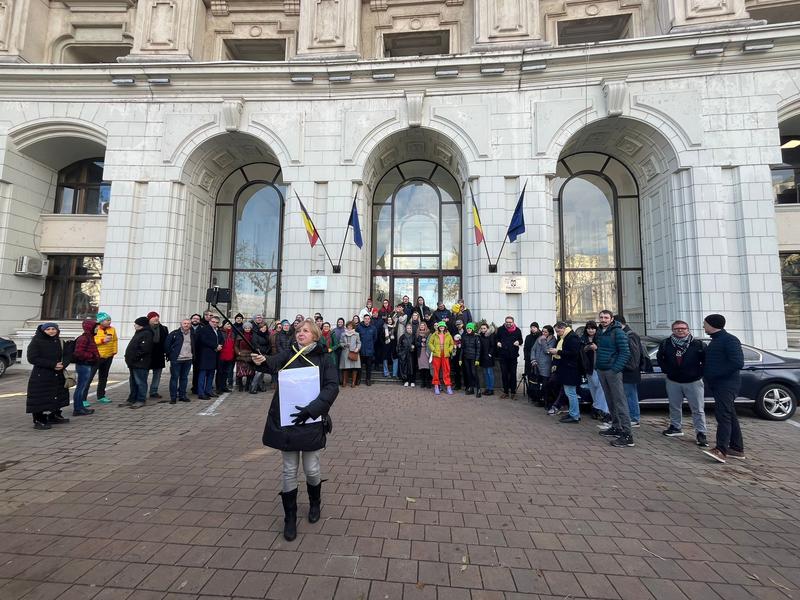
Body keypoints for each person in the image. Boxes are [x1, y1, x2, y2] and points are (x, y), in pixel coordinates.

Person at [251, 318, 338, 541]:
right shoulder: (288, 353)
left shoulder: (324, 358)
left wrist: (313, 410)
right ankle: (289, 518)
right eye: (299, 330)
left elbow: (331, 387)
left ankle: (315, 502)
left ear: (315, 336)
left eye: (306, 331)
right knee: (289, 469)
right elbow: (271, 364)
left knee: (311, 470)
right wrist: (260, 361)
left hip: (310, 421)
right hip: (288, 421)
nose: (300, 333)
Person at [701, 314, 745, 463]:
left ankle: (721, 450)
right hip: (718, 384)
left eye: (705, 324)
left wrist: (715, 374)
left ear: (712, 325)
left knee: (723, 416)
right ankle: (737, 448)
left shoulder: (730, 340)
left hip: (726, 385)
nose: (703, 326)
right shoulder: (715, 341)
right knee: (730, 414)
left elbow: (737, 362)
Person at [657, 320, 708, 447]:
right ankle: (675, 427)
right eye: (676, 329)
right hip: (673, 380)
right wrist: (666, 370)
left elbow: (706, 361)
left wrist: (699, 373)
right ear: (672, 330)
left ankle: (701, 433)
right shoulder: (666, 344)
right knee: (674, 406)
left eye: (683, 328)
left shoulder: (698, 344)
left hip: (693, 381)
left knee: (697, 409)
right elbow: (660, 358)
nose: (680, 330)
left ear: (688, 330)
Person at [595, 310, 633, 447]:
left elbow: (625, 352)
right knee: (610, 400)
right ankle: (616, 426)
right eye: (601, 317)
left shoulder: (618, 332)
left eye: (606, 317)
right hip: (602, 370)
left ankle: (627, 434)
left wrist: (616, 368)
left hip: (612, 371)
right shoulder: (600, 331)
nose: (603, 320)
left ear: (611, 319)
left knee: (619, 401)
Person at [26, 322, 73, 429]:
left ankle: (54, 415)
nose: (51, 331)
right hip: (41, 375)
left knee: (57, 395)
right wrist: (52, 365)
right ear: (43, 330)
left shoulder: (59, 341)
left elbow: (66, 355)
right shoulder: (36, 341)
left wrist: (63, 364)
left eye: (53, 329)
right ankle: (38, 419)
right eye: (48, 329)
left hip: (58, 374)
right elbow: (32, 358)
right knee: (40, 398)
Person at [550, 322, 582, 423]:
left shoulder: (571, 337)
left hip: (571, 369)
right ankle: (574, 413)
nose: (557, 333)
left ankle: (574, 415)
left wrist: (557, 352)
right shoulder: (567, 336)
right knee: (570, 393)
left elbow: (573, 353)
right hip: (568, 368)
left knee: (571, 393)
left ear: (563, 328)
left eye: (558, 331)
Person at [580, 321, 610, 423]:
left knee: (600, 388)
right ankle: (597, 409)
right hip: (588, 367)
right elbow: (580, 352)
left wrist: (596, 349)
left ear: (596, 329)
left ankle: (602, 410)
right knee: (593, 388)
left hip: (599, 367)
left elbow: (605, 351)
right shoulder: (583, 339)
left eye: (592, 328)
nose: (590, 330)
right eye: (588, 328)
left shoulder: (600, 338)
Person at [617, 315, 643, 428]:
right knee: (626, 395)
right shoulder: (625, 333)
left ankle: (634, 418)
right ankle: (629, 416)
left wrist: (626, 366)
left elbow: (634, 355)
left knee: (630, 395)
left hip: (629, 370)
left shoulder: (630, 335)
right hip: (626, 369)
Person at [72, 318, 100, 416]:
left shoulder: (89, 337)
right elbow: (78, 353)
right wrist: (91, 356)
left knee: (82, 387)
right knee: (81, 388)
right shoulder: (84, 338)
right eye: (96, 327)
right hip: (83, 365)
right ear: (90, 328)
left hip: (87, 364)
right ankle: (78, 408)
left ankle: (80, 407)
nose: (97, 329)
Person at [125, 317, 154, 409]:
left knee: (140, 382)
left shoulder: (147, 333)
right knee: (133, 382)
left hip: (140, 363)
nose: (134, 325)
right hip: (134, 362)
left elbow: (144, 349)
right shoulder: (139, 333)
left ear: (141, 325)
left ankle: (141, 399)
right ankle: (132, 398)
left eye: (136, 324)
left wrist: (134, 357)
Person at [165, 318, 194, 403]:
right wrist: (171, 355)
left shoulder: (193, 334)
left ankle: (182, 395)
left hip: (188, 359)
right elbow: (167, 345)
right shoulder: (174, 333)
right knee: (174, 378)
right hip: (176, 360)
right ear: (181, 324)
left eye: (188, 323)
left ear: (190, 325)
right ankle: (173, 397)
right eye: (184, 323)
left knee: (184, 378)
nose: (186, 325)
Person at [93, 312, 118, 404]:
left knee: (103, 377)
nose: (109, 322)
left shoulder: (112, 329)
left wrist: (114, 351)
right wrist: (102, 340)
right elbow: (91, 341)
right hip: (97, 356)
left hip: (108, 356)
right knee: (90, 377)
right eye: (107, 320)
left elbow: (115, 340)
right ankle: (83, 398)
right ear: (101, 321)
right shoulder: (95, 329)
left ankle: (101, 396)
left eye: (109, 320)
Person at [195, 315, 223, 400]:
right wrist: (215, 346)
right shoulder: (204, 329)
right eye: (213, 322)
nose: (215, 323)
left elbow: (222, 339)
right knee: (203, 374)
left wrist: (220, 345)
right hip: (205, 355)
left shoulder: (217, 330)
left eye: (217, 322)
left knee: (211, 374)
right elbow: (204, 340)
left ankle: (209, 390)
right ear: (210, 321)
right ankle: (201, 392)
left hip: (214, 356)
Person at [496, 316, 523, 399]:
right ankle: (506, 392)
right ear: (505, 322)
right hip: (503, 355)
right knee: (504, 374)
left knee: (513, 374)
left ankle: (513, 392)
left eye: (510, 322)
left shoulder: (517, 330)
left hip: (513, 356)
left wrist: (518, 341)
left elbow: (521, 340)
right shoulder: (500, 329)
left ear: (513, 322)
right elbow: (496, 338)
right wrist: (498, 342)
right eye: (507, 322)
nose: (508, 323)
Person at [532, 325, 556, 408]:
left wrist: (543, 341)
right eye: (543, 331)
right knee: (539, 383)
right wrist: (533, 360)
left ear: (550, 332)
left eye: (546, 332)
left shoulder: (553, 339)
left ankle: (546, 401)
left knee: (545, 384)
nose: (543, 333)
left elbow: (547, 350)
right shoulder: (539, 338)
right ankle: (539, 400)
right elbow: (533, 349)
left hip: (546, 365)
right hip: (537, 364)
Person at [146, 311, 169, 400]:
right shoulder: (145, 328)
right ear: (149, 319)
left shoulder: (164, 329)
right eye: (153, 317)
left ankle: (154, 391)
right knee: (144, 374)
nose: (156, 318)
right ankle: (142, 392)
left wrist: (167, 353)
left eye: (157, 317)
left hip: (159, 355)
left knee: (157, 374)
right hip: (147, 355)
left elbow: (167, 342)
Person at [428, 321, 454, 395]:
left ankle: (448, 386)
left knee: (446, 370)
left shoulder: (448, 335)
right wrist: (433, 349)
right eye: (440, 326)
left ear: (445, 327)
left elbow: (452, 344)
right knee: (436, 370)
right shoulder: (435, 334)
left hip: (445, 355)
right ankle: (436, 386)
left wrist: (449, 350)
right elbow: (430, 343)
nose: (441, 327)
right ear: (438, 327)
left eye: (443, 326)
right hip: (437, 355)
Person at [356, 314, 377, 386]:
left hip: (369, 350)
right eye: (365, 319)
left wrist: (370, 345)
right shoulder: (359, 327)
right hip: (361, 350)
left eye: (368, 319)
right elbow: (356, 338)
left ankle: (368, 379)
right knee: (359, 367)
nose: (367, 320)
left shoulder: (373, 328)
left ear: (370, 320)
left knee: (369, 367)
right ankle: (358, 379)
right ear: (363, 319)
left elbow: (375, 339)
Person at [339, 320, 361, 387]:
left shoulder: (356, 334)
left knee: (354, 367)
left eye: (351, 326)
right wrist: (345, 345)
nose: (349, 327)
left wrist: (357, 348)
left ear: (353, 327)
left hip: (354, 352)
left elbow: (359, 342)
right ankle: (344, 382)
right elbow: (340, 342)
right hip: (345, 352)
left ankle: (353, 382)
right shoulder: (343, 334)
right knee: (345, 367)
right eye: (348, 326)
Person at [461, 322, 481, 396]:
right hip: (466, 358)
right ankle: (471, 388)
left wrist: (477, 359)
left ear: (472, 329)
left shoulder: (476, 337)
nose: (469, 329)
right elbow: (462, 348)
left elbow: (478, 349)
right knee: (468, 374)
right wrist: (460, 359)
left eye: (470, 328)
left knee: (474, 373)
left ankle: (478, 389)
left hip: (473, 358)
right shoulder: (464, 337)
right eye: (468, 328)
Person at [215, 321, 235, 394]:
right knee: (220, 372)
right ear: (223, 325)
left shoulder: (232, 333)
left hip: (229, 355)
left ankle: (224, 386)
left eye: (230, 324)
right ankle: (218, 388)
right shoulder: (220, 332)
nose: (229, 325)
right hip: (221, 355)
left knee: (226, 372)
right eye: (228, 324)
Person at [235, 322, 255, 393]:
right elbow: (236, 346)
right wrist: (238, 352)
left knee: (249, 372)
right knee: (240, 372)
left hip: (250, 355)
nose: (247, 329)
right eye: (246, 328)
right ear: (244, 328)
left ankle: (247, 385)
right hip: (241, 355)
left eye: (249, 328)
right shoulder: (240, 335)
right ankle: (240, 386)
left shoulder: (253, 336)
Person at [523, 322, 541, 399]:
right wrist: (527, 357)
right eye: (531, 327)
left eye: (534, 327)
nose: (532, 329)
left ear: (537, 328)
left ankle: (537, 393)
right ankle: (530, 391)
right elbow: (525, 348)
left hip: (537, 361)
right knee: (529, 376)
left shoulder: (540, 337)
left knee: (537, 377)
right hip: (528, 360)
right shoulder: (528, 337)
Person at [478, 322, 495, 395]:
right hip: (482, 357)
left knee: (489, 373)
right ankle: (487, 388)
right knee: (485, 373)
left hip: (488, 357)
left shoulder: (490, 336)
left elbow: (493, 346)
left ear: (487, 329)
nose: (483, 329)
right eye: (481, 328)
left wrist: (490, 354)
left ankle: (491, 389)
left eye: (484, 328)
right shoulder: (480, 336)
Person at [397, 323, 416, 387]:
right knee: (404, 368)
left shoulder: (414, 336)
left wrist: (414, 347)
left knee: (412, 368)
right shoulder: (402, 336)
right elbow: (399, 346)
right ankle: (405, 381)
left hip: (411, 354)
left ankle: (412, 381)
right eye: (408, 328)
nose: (409, 329)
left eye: (410, 328)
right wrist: (401, 353)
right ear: (406, 329)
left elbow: (416, 344)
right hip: (404, 355)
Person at [416, 322, 432, 389]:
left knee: (427, 367)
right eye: (421, 325)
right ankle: (423, 382)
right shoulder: (417, 334)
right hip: (420, 352)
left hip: (426, 351)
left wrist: (425, 342)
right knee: (422, 367)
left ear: (425, 326)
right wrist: (420, 344)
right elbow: (415, 342)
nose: (422, 326)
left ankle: (428, 382)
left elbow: (431, 342)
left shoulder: (428, 333)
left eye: (423, 325)